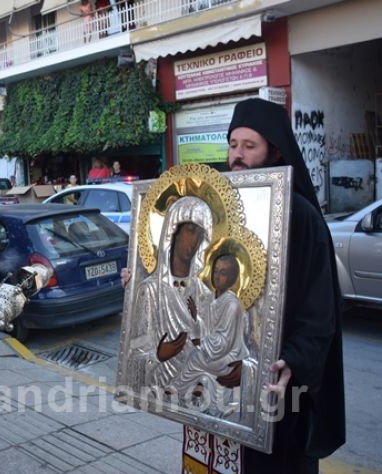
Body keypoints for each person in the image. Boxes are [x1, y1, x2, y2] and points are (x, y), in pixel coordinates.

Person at [209, 97, 345, 473]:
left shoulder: (300, 216)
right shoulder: (219, 209)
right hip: (223, 380)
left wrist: (295, 359)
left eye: (249, 146)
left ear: (274, 151)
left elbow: (320, 312)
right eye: (233, 145)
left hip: (277, 389)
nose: (237, 155)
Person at [125, 196, 214, 394]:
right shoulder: (149, 291)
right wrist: (158, 355)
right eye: (190, 231)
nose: (195, 241)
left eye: (201, 235)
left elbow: (214, 350)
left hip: (197, 395)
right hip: (159, 393)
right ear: (173, 231)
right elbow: (133, 359)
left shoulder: (204, 294)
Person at [169, 254, 250, 415]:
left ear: (233, 278)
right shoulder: (211, 299)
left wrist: (200, 341)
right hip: (214, 351)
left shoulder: (232, 305)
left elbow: (224, 341)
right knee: (193, 354)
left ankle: (177, 389)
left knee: (195, 357)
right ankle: (179, 391)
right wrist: (195, 316)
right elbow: (208, 328)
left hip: (228, 357)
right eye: (216, 271)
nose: (217, 276)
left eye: (223, 273)